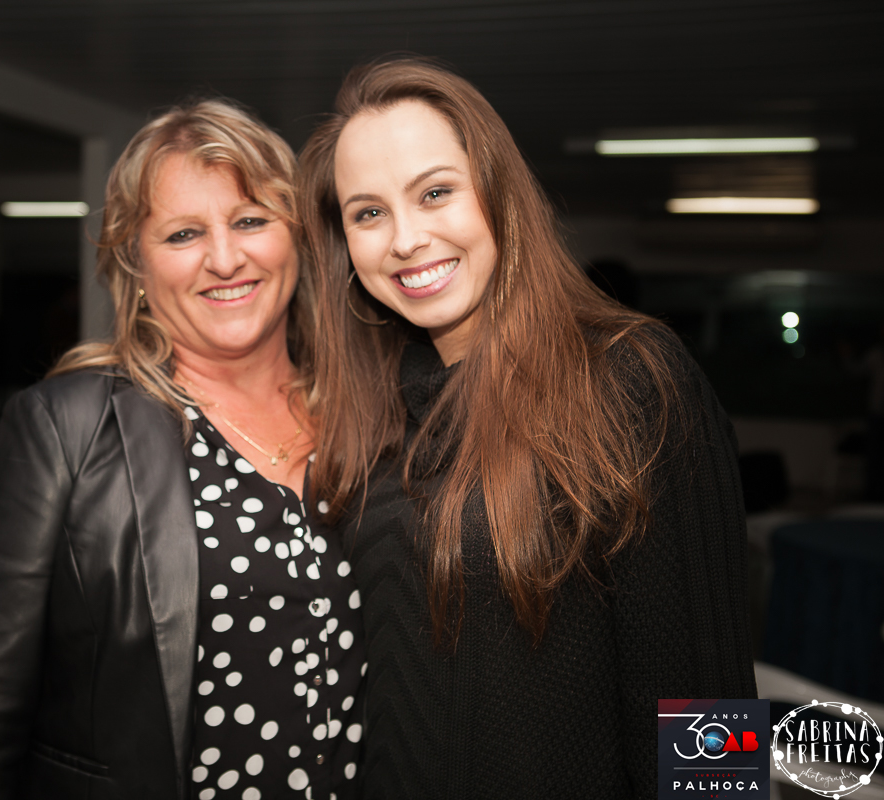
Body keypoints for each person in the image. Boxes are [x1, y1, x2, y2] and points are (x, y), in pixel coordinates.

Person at [299, 57, 756, 798]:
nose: (406, 239)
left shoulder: (631, 379)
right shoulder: (370, 408)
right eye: (369, 213)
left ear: (499, 193)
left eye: (436, 192)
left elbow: (706, 714)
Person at [0, 99, 365, 800]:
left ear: (297, 236)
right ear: (135, 262)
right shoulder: (67, 430)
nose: (224, 257)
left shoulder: (372, 417)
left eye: (249, 220)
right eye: (183, 233)